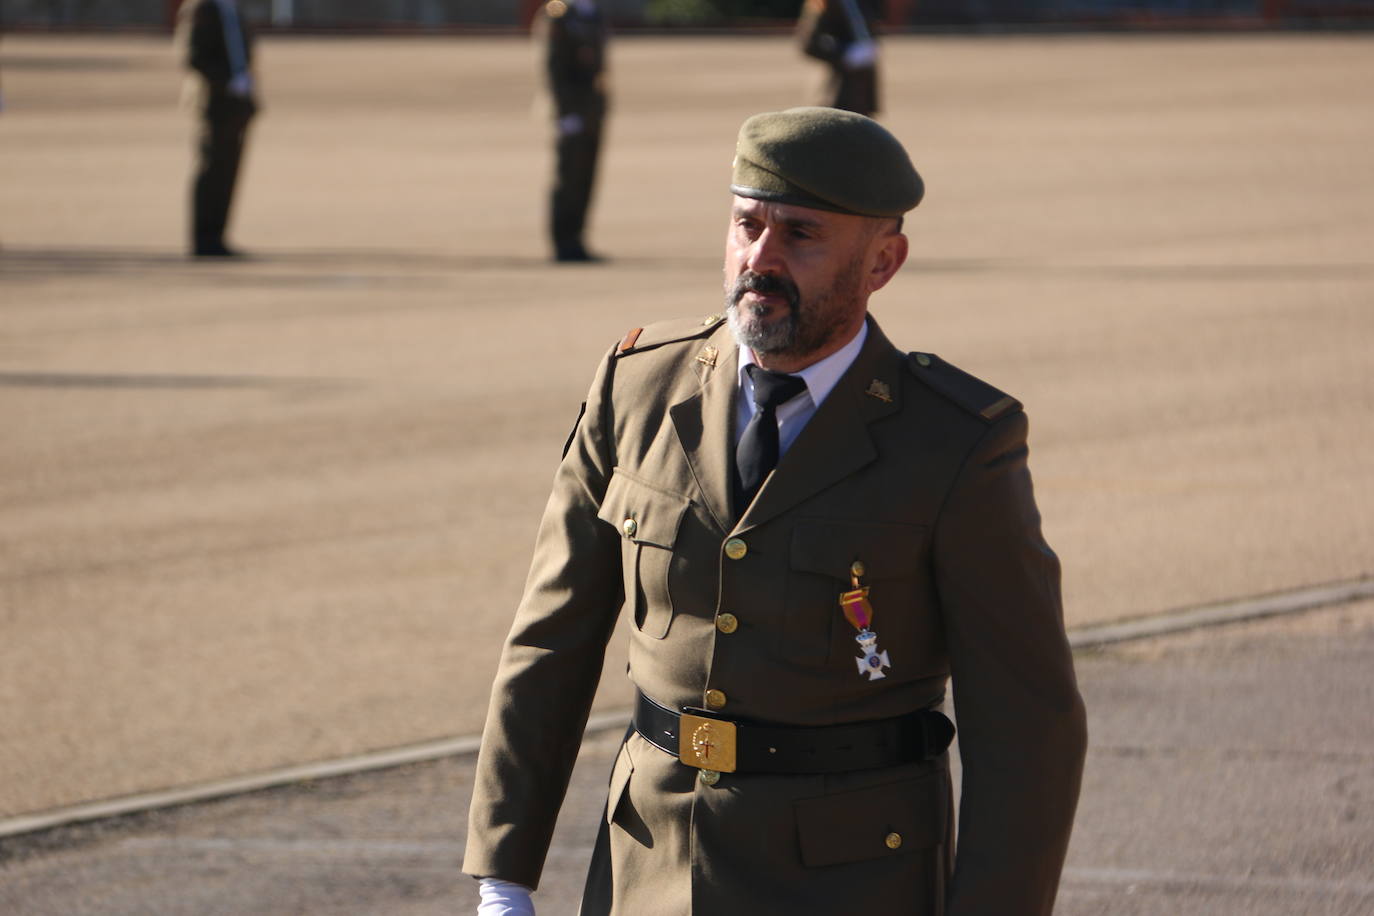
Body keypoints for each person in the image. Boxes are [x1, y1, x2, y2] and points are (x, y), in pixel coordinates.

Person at [464, 107, 1087, 915]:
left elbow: (1028, 723)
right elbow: (551, 640)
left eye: (801, 234)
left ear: (883, 262)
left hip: (851, 883)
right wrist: (503, 878)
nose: (760, 258)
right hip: (648, 870)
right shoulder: (638, 388)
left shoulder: (954, 443)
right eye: (746, 225)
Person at [177, 0, 257, 258]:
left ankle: (218, 236)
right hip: (212, 103)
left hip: (236, 105)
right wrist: (227, 82)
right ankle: (204, 239)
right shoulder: (201, 7)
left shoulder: (231, 8)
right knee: (211, 171)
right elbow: (193, 57)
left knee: (228, 172)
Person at [536, 0, 608, 262]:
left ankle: (577, 238)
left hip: (592, 111)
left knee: (586, 178)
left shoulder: (594, 13)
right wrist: (566, 113)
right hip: (572, 113)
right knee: (568, 178)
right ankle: (563, 242)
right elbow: (555, 68)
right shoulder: (560, 15)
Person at [796, 0, 883, 116]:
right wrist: (845, 53)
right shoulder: (823, 2)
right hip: (834, 92)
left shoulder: (862, 3)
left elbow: (864, 32)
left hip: (861, 93)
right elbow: (810, 43)